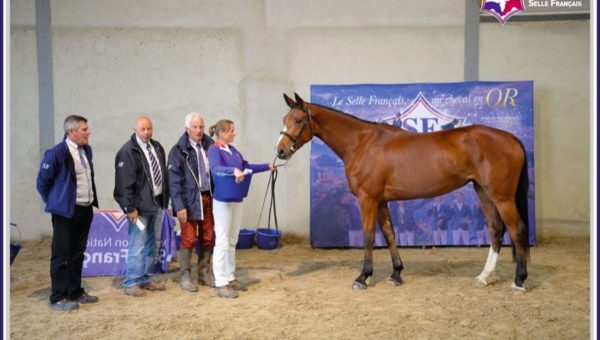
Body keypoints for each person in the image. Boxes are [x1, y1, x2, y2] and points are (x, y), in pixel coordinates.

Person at [36, 115, 99, 312]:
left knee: (78, 253)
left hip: (85, 209)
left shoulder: (86, 150)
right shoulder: (56, 153)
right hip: (65, 212)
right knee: (61, 255)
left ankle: (74, 291)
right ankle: (58, 296)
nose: (88, 132)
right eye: (84, 129)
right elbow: (42, 183)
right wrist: (57, 203)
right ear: (71, 132)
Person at [207, 119, 275, 298]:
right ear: (222, 133)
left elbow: (245, 167)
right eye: (231, 131)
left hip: (237, 197)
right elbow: (215, 169)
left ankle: (230, 277)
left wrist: (266, 167)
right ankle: (220, 282)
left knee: (232, 240)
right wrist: (232, 171)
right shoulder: (214, 149)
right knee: (221, 240)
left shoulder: (233, 151)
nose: (234, 134)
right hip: (222, 199)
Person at [114, 116, 169, 297]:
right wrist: (129, 208)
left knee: (153, 244)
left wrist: (165, 201)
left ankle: (146, 278)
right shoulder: (128, 151)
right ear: (135, 129)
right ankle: (131, 282)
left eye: (149, 129)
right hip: (138, 208)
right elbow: (123, 183)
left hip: (156, 204)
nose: (146, 132)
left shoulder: (157, 147)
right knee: (137, 244)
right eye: (143, 129)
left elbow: (162, 174)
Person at [167, 112, 215, 292]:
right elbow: (174, 182)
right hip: (188, 201)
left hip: (208, 199)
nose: (199, 130)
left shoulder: (210, 146)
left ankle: (203, 273)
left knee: (208, 237)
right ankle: (185, 276)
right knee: (188, 239)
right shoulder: (178, 151)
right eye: (195, 127)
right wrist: (179, 206)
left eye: (201, 127)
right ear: (187, 129)